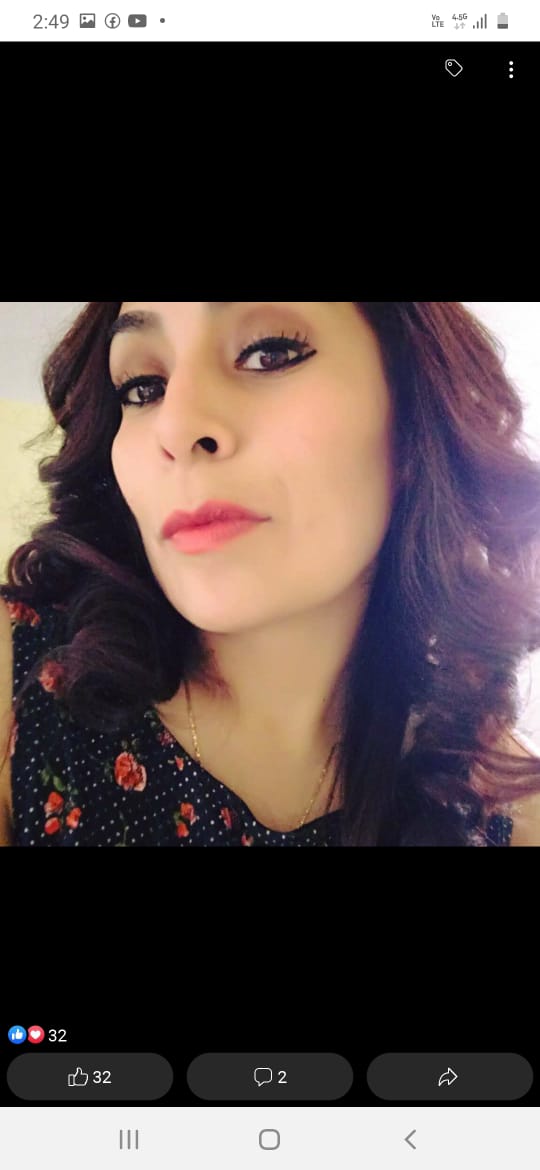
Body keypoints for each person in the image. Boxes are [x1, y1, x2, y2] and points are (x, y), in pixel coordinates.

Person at [2, 301, 540, 847]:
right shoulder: (17, 678)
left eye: (269, 353)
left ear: (412, 413)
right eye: (144, 388)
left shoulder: (505, 814)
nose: (177, 426)